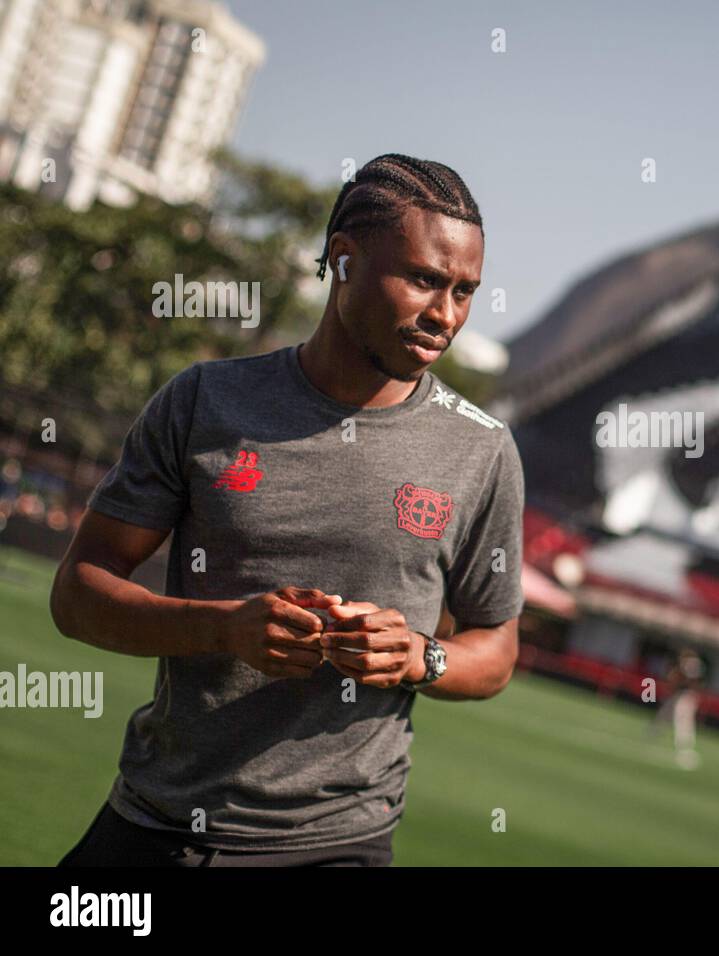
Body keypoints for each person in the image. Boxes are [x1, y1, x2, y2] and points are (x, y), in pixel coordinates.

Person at [49, 154, 524, 866]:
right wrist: (226, 629)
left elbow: (497, 649)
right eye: (424, 280)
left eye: (464, 291)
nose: (445, 315)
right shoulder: (204, 401)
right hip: (155, 824)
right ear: (342, 259)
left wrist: (418, 657)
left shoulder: (481, 452)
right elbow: (78, 595)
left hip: (336, 845)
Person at [647, 649, 706, 769]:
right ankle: (655, 730)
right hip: (679, 694)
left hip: (686, 696)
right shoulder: (686, 666)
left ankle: (684, 746)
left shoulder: (691, 665)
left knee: (683, 721)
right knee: (666, 713)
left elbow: (689, 682)